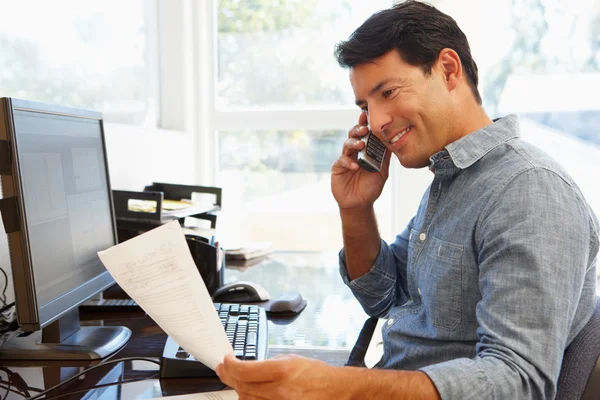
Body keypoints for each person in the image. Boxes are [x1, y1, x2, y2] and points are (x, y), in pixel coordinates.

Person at [216, 1, 599, 398]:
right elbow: (382, 295)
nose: (378, 121)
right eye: (367, 106)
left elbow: (518, 382)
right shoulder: (453, 182)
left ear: (448, 70)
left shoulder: (529, 192)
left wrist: (341, 388)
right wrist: (356, 208)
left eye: (388, 92)